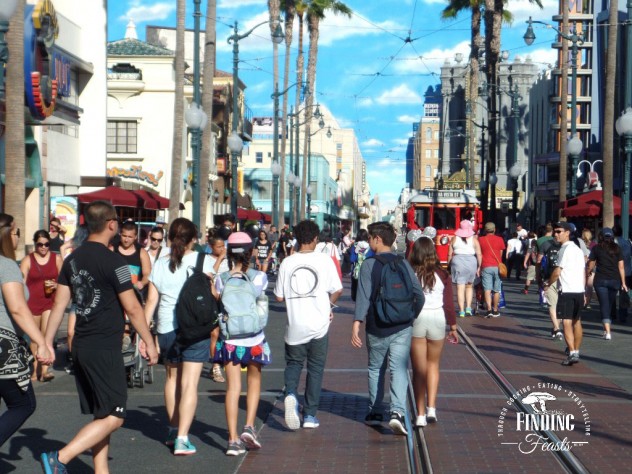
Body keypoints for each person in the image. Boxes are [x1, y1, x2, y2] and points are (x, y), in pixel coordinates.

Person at [40, 200, 158, 473]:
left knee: (102, 413)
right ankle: (60, 458)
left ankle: (101, 470)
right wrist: (149, 342)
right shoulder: (115, 261)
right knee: (116, 416)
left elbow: (59, 304)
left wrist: (47, 342)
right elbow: (132, 307)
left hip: (81, 344)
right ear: (112, 224)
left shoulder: (72, 260)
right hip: (103, 346)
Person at [144, 218, 214, 455]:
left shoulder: (160, 264)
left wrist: (144, 336)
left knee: (172, 381)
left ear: (170, 238)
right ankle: (183, 438)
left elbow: (151, 302)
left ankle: (173, 429)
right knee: (189, 384)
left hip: (166, 329)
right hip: (194, 329)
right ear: (194, 238)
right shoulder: (206, 262)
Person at [351, 222, 424, 435]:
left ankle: (375, 412)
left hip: (377, 325)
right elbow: (418, 295)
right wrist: (410, 316)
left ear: (377, 239)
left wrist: (356, 324)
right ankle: (397, 413)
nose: (370, 242)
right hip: (402, 325)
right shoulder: (403, 263)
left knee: (376, 368)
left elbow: (363, 298)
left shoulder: (369, 265)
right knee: (399, 368)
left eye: (371, 238)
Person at [275, 220, 343, 431]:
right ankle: (310, 415)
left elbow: (278, 297)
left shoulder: (287, 263)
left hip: (295, 324)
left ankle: (291, 395)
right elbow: (338, 289)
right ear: (315, 239)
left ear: (296, 237)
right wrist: (329, 306)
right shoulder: (324, 261)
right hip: (319, 324)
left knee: (294, 364)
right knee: (315, 369)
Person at [214, 232, 271, 455]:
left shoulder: (222, 279)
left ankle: (232, 439)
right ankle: (249, 426)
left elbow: (218, 300)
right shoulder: (259, 277)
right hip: (255, 338)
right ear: (251, 251)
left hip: (230, 340)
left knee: (233, 388)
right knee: (254, 382)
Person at [0, 213, 50, 447]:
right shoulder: (6, 265)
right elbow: (18, 309)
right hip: (4, 346)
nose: (17, 237)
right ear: (6, 234)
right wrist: (41, 341)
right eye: (15, 232)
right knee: (23, 404)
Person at [408, 236, 456, 427]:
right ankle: (432, 409)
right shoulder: (443, 275)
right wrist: (453, 327)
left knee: (418, 369)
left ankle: (419, 415)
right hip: (437, 318)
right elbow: (450, 305)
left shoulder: (410, 273)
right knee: (433, 365)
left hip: (417, 319)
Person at [19, 230, 63, 382]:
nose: (44, 247)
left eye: (46, 244)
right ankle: (34, 368)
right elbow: (21, 283)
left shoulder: (56, 259)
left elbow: (65, 281)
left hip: (50, 302)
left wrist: (57, 285)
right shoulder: (28, 260)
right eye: (40, 244)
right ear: (35, 244)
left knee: (45, 336)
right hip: (32, 303)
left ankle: (44, 370)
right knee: (35, 338)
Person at [543, 222, 586, 366]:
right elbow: (583, 271)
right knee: (577, 321)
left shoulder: (564, 249)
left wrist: (548, 284)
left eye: (559, 231)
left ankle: (572, 352)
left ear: (567, 233)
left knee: (567, 322)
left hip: (567, 290)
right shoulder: (578, 250)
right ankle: (576, 350)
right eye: (555, 232)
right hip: (579, 290)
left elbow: (557, 271)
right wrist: (584, 290)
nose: (556, 234)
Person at [586, 228, 626, 340]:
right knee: (609, 303)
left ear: (601, 237)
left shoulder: (596, 248)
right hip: (615, 281)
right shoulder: (617, 249)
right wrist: (623, 282)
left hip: (600, 280)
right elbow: (621, 267)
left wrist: (588, 273)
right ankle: (606, 329)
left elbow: (591, 264)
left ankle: (607, 331)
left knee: (604, 304)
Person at [59, 225, 89, 375]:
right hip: (77, 300)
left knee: (86, 332)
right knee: (71, 332)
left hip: (89, 299)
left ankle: (84, 362)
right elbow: (63, 247)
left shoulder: (90, 254)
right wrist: (74, 242)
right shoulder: (73, 257)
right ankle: (75, 360)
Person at [205, 228, 229, 383]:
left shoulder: (230, 260)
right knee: (214, 333)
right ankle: (215, 367)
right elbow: (208, 275)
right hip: (211, 300)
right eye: (218, 247)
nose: (222, 249)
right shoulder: (206, 259)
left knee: (226, 333)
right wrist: (219, 259)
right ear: (211, 247)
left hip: (226, 300)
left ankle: (227, 360)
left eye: (223, 246)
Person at [447, 220, 481, 318]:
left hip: (457, 261)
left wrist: (449, 264)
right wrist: (479, 266)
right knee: (469, 286)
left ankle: (461, 310)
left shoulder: (454, 239)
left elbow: (449, 254)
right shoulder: (474, 239)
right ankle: (468, 308)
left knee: (460, 287)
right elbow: (479, 253)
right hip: (471, 262)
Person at [114, 221, 151, 301]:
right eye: (124, 236)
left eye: (130, 237)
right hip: (114, 295)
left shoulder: (142, 252)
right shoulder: (112, 249)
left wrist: (142, 282)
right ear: (120, 234)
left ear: (135, 237)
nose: (126, 240)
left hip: (134, 296)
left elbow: (147, 273)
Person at [478, 222, 506, 318]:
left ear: (485, 230)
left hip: (485, 266)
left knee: (487, 289)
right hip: (497, 266)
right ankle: (495, 310)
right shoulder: (500, 239)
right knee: (497, 290)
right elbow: (501, 253)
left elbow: (479, 253)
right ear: (494, 229)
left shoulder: (481, 240)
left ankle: (489, 309)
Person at [613, 224, 631, 323]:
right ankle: (623, 314)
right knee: (624, 293)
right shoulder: (628, 242)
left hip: (615, 271)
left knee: (612, 293)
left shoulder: (613, 243)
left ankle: (613, 313)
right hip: (627, 271)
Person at [350, 229, 373, 302]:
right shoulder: (370, 246)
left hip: (357, 272)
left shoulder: (355, 246)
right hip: (368, 272)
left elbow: (352, 259)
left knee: (356, 294)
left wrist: (359, 258)